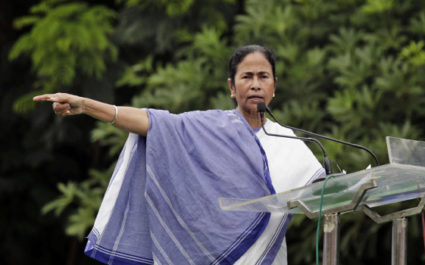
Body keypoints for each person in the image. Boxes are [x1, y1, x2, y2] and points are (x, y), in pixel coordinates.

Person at [34, 45, 325, 265]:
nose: (255, 84)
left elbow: (321, 194)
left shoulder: (289, 144)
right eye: (246, 76)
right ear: (231, 87)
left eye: (263, 76)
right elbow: (154, 122)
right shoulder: (206, 127)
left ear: (275, 85)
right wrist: (85, 105)